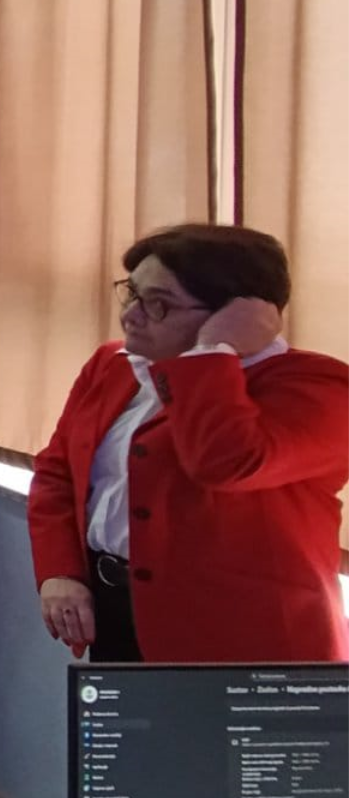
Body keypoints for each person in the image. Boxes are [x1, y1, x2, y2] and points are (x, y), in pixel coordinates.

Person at [28, 224, 349, 665]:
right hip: (115, 610)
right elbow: (58, 470)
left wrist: (213, 350)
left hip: (243, 637)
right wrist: (60, 572)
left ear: (237, 313)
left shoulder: (319, 387)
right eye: (133, 294)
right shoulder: (113, 365)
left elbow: (225, 461)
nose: (131, 316)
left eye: (159, 304)